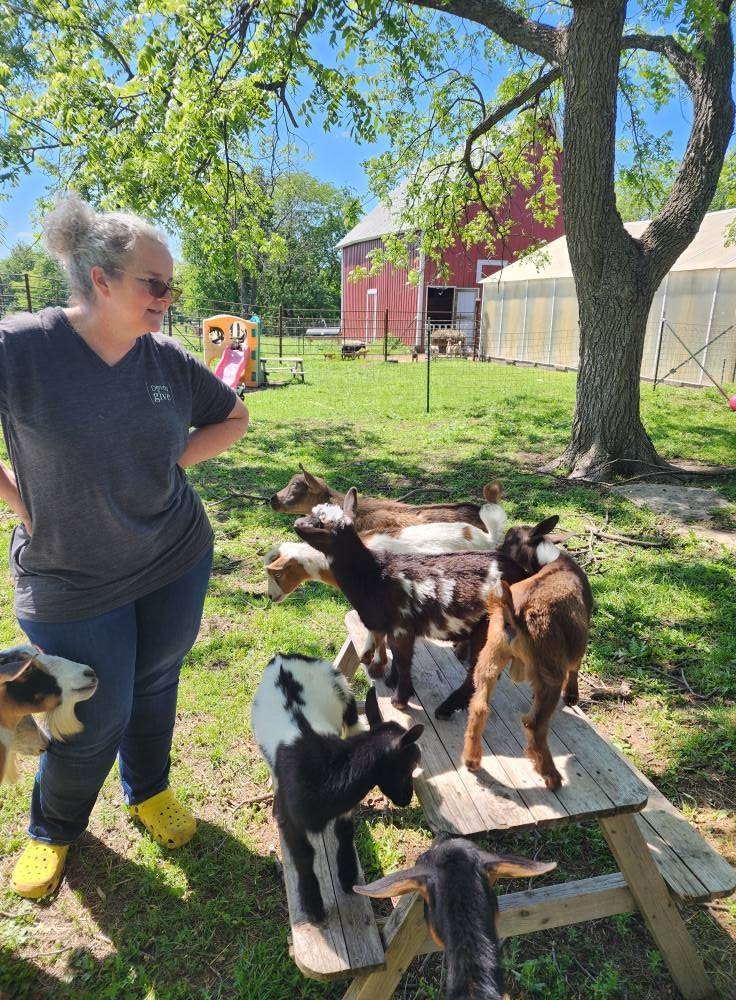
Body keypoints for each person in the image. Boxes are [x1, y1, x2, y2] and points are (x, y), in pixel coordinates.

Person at [0, 194, 249, 899]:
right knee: (92, 711)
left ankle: (150, 790)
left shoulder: (166, 360)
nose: (168, 298)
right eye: (155, 283)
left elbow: (233, 417)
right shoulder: (21, 348)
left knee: (155, 682)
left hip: (174, 557)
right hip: (70, 576)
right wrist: (21, 502)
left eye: (172, 285)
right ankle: (53, 828)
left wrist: (169, 464)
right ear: (100, 279)